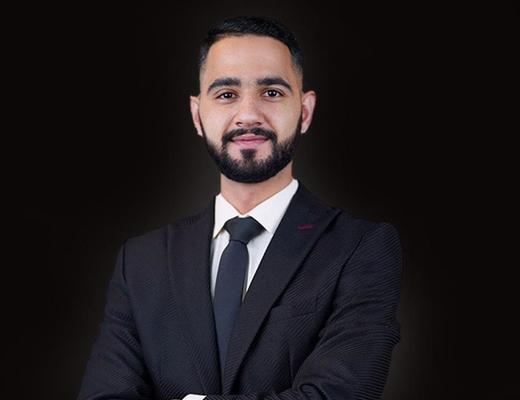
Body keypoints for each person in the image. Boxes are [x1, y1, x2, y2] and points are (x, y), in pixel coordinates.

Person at [78, 16, 402, 400]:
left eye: (272, 92)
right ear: (197, 115)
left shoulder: (360, 249)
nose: (248, 115)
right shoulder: (140, 262)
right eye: (226, 94)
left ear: (305, 111)